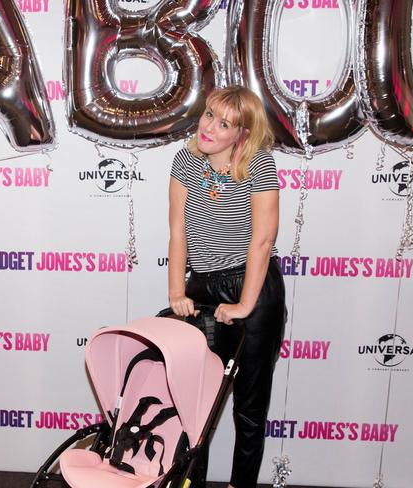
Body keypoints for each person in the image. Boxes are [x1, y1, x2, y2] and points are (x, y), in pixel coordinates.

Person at [168, 85, 286, 488]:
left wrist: (244, 306)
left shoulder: (259, 165)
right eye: (208, 116)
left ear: (242, 133)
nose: (209, 127)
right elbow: (177, 232)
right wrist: (176, 293)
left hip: (251, 287)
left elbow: (262, 241)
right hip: (202, 286)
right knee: (193, 402)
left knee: (248, 409)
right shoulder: (185, 161)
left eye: (224, 123)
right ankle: (189, 482)